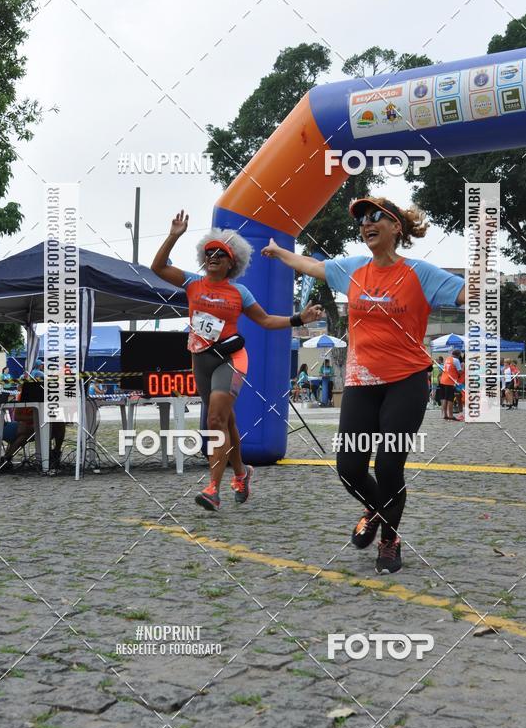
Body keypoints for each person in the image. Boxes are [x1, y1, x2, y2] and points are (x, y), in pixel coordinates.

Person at [262, 196, 465, 574]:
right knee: (349, 467)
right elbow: (312, 265)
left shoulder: (420, 273)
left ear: (395, 228)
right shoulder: (353, 269)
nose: (366, 224)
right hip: (361, 382)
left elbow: (469, 294)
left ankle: (389, 540)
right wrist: (278, 251)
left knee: (389, 467)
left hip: (406, 382)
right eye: (362, 220)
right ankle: (376, 509)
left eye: (375, 217)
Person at [152, 212, 323, 512]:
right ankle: (242, 473)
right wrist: (174, 235)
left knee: (215, 420)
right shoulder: (193, 283)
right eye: (209, 252)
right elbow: (158, 268)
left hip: (230, 360)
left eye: (222, 253)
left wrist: (299, 318)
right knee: (226, 420)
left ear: (232, 263)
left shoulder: (239, 292)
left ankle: (212, 489)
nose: (214, 256)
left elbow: (267, 320)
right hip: (200, 359)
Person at [439, 349, 462, 421]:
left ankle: (445, 415)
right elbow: (459, 371)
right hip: (450, 381)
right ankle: (451, 415)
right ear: (458, 355)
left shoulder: (447, 359)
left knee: (445, 398)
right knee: (450, 399)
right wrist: (463, 369)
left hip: (443, 380)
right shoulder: (456, 360)